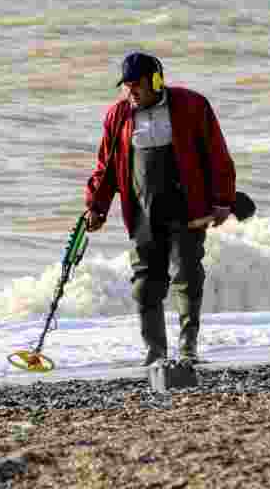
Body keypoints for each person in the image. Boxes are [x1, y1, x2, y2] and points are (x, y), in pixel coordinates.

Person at [84, 52, 237, 366]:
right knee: (145, 284)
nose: (131, 92)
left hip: (188, 207)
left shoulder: (192, 105)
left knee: (188, 276)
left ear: (156, 80)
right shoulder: (118, 116)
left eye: (136, 85)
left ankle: (188, 349)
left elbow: (217, 153)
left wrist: (222, 200)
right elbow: (106, 167)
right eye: (126, 86)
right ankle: (155, 353)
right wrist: (96, 207)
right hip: (143, 212)